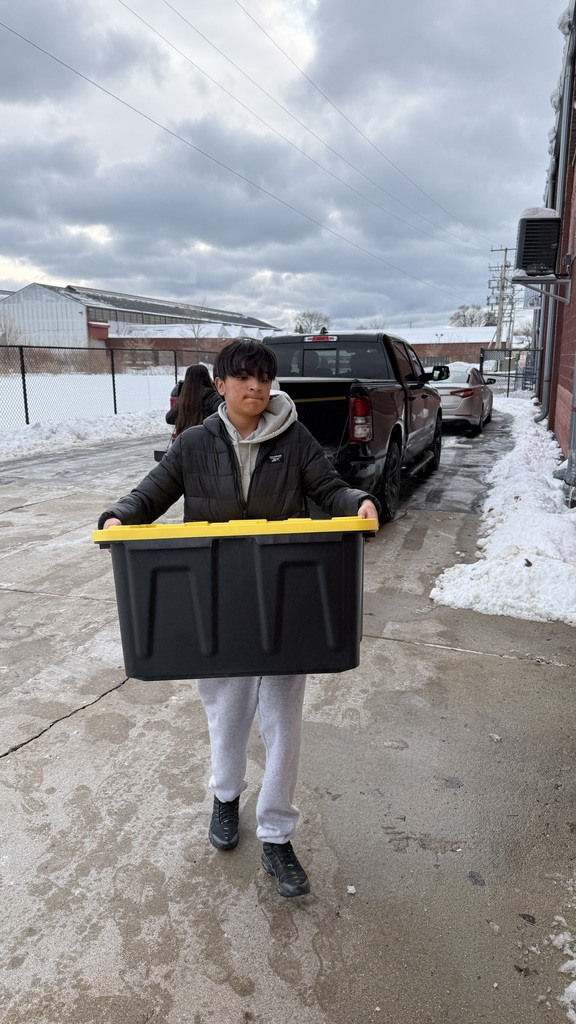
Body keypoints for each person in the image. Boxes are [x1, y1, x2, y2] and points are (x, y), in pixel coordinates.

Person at [97, 338, 379, 899]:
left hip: (282, 600)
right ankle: (225, 799)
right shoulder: (195, 443)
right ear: (221, 385)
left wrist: (356, 501)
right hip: (217, 603)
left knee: (282, 720)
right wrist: (118, 516)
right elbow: (151, 494)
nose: (256, 388)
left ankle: (276, 832)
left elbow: (327, 487)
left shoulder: (294, 438)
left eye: (264, 378)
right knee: (226, 713)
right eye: (244, 378)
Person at [166, 363, 223, 437]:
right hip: (205, 441)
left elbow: (169, 418)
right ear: (206, 377)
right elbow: (224, 415)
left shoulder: (184, 398)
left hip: (183, 441)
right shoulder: (212, 396)